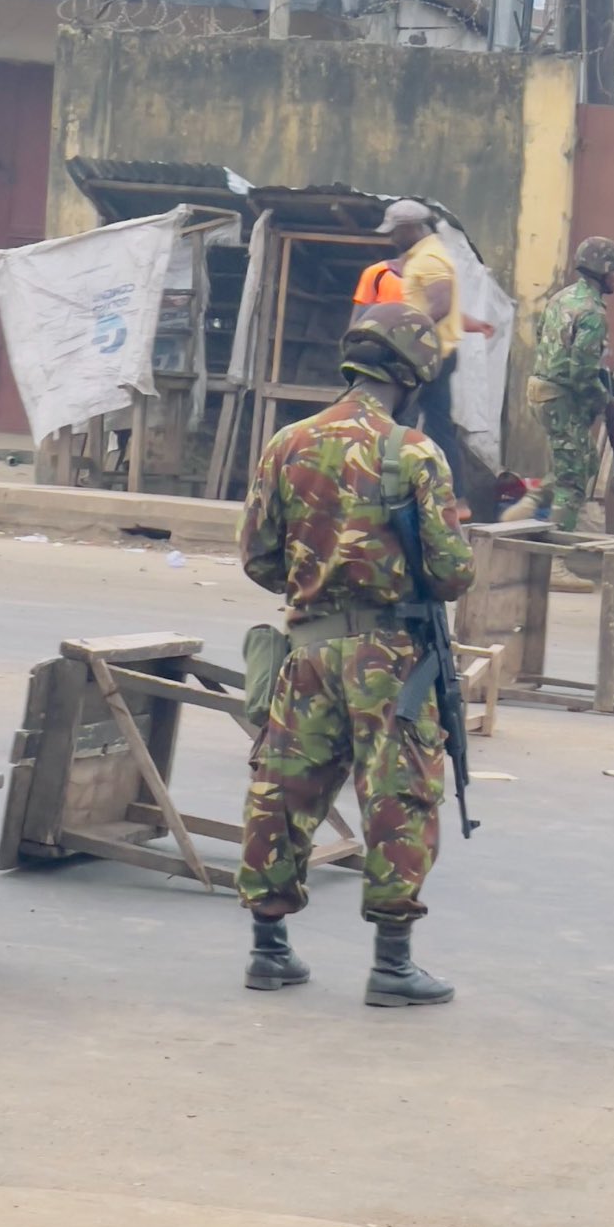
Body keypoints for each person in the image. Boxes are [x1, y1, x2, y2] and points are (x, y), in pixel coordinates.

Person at [237, 303, 476, 1007]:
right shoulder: (413, 453)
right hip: (390, 660)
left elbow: (257, 556)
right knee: (398, 797)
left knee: (284, 789)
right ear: (409, 374)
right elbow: (452, 572)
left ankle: (268, 950)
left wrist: (316, 586)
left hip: (307, 649)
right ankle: (392, 965)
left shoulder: (288, 442)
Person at [370, 199, 494, 514]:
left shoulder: (430, 259)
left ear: (411, 229)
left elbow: (439, 306)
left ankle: (394, 498)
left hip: (425, 355)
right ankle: (455, 500)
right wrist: (471, 323)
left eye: (395, 232)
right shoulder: (427, 256)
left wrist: (399, 336)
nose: (391, 238)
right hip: (434, 353)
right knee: (435, 426)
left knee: (401, 423)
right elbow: (444, 307)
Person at [517, 235, 614, 593]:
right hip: (563, 399)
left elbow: (541, 338)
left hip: (541, 392)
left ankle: (534, 502)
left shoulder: (561, 298)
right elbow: (581, 371)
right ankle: (555, 564)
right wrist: (605, 400)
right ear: (604, 271)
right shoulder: (592, 314)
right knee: (573, 479)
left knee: (583, 462)